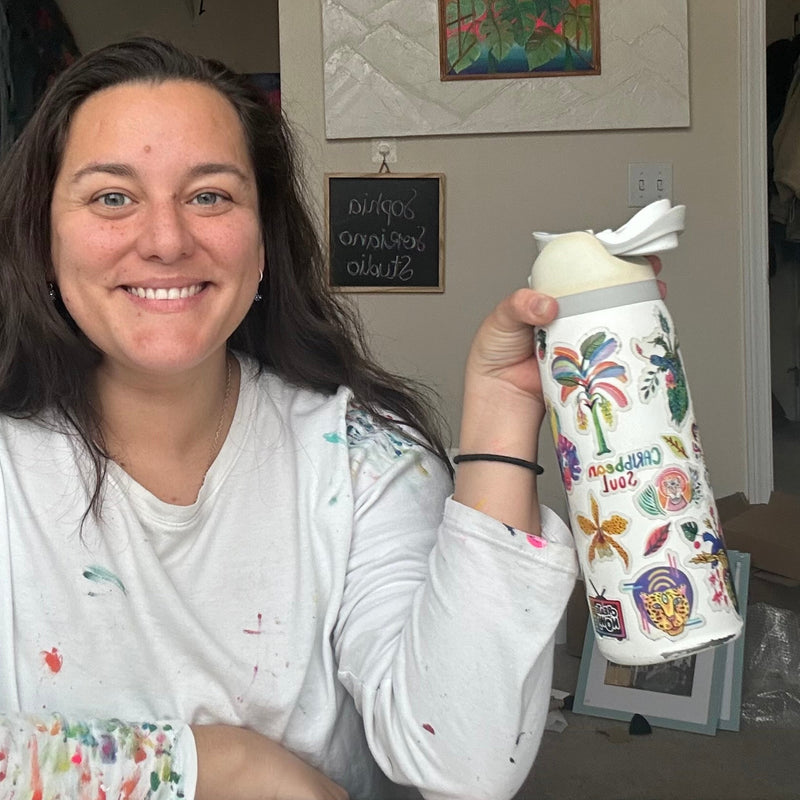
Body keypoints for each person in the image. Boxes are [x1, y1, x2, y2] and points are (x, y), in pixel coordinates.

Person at [0, 37, 580, 800]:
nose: (166, 240)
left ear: (262, 244)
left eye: (210, 196)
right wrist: (220, 765)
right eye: (113, 198)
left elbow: (463, 762)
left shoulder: (365, 459)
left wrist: (503, 422)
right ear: (44, 239)